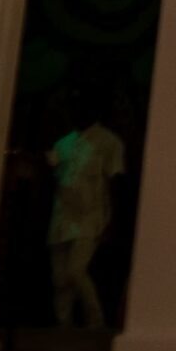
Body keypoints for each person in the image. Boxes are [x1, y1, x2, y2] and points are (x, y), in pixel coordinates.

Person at [46, 106, 128, 331]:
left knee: (76, 269)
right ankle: (64, 323)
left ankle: (95, 320)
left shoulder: (108, 142)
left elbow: (115, 180)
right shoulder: (64, 143)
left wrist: (113, 221)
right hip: (62, 217)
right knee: (59, 278)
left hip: (90, 217)